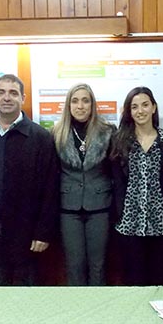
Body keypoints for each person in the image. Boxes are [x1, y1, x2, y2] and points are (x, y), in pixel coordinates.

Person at [0, 74, 59, 286]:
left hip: (25, 234)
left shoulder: (40, 137)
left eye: (13, 93)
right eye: (1, 92)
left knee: (26, 294)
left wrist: (43, 232)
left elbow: (50, 189)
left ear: (23, 98)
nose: (6, 97)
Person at [110, 86, 163, 286]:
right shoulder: (119, 140)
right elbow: (114, 181)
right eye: (134, 107)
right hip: (128, 224)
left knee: (160, 282)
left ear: (154, 108)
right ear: (129, 112)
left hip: (160, 224)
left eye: (145, 105)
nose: (140, 111)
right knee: (133, 282)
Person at [53, 83, 115, 286]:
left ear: (92, 104)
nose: (80, 106)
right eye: (75, 100)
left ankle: (99, 311)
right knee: (74, 264)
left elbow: (115, 170)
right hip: (68, 207)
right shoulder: (57, 132)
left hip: (100, 206)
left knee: (99, 264)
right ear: (69, 105)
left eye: (85, 100)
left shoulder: (107, 131)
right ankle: (78, 310)